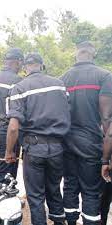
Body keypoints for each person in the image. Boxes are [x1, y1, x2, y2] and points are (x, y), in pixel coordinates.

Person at [5, 53, 70, 225]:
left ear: (25, 67)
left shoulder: (19, 88)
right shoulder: (59, 85)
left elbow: (13, 127)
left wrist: (9, 151)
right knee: (54, 190)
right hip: (57, 148)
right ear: (41, 65)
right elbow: (68, 111)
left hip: (34, 149)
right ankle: (58, 222)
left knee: (35, 196)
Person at [61, 41, 112, 225]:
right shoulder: (105, 76)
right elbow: (106, 119)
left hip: (66, 143)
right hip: (92, 144)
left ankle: (71, 222)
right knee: (91, 192)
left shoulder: (63, 79)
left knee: (70, 186)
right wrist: (107, 157)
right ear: (94, 54)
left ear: (76, 54)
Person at [0, 48, 24, 183]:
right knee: (8, 169)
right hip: (6, 129)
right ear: (18, 62)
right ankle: (2, 201)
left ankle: (6, 197)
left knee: (2, 164)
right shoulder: (17, 80)